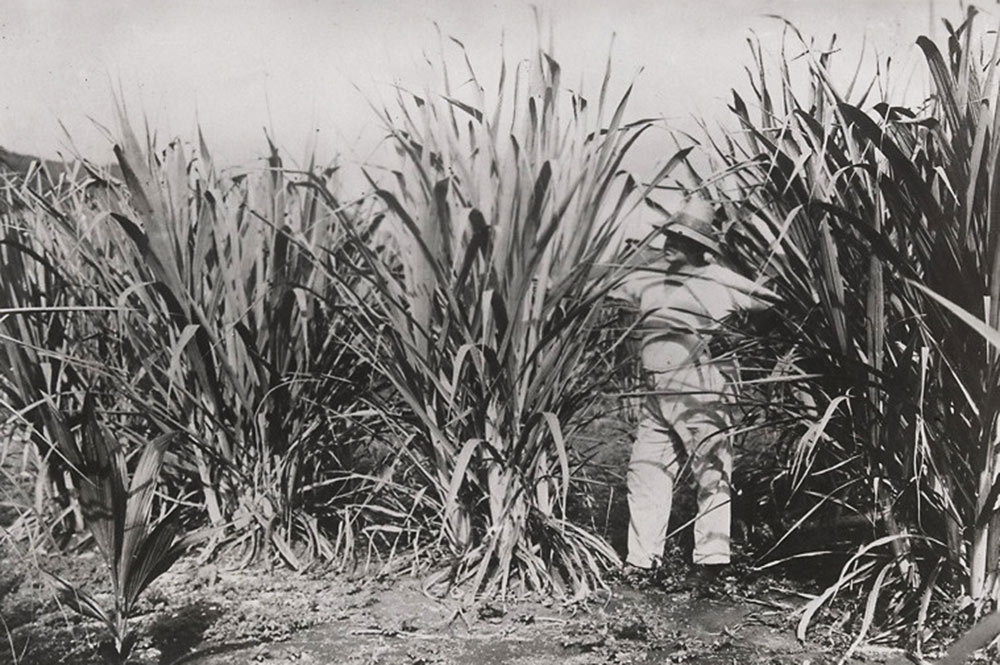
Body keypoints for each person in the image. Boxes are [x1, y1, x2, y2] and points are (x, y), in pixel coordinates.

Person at [614, 198, 774, 580]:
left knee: (712, 472)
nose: (671, 244)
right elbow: (603, 288)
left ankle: (711, 562)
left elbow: (772, 301)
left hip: (701, 390)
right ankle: (641, 560)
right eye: (671, 235)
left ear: (701, 250)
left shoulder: (716, 279)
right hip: (656, 393)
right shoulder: (648, 278)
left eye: (682, 239)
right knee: (645, 472)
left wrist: (735, 339)